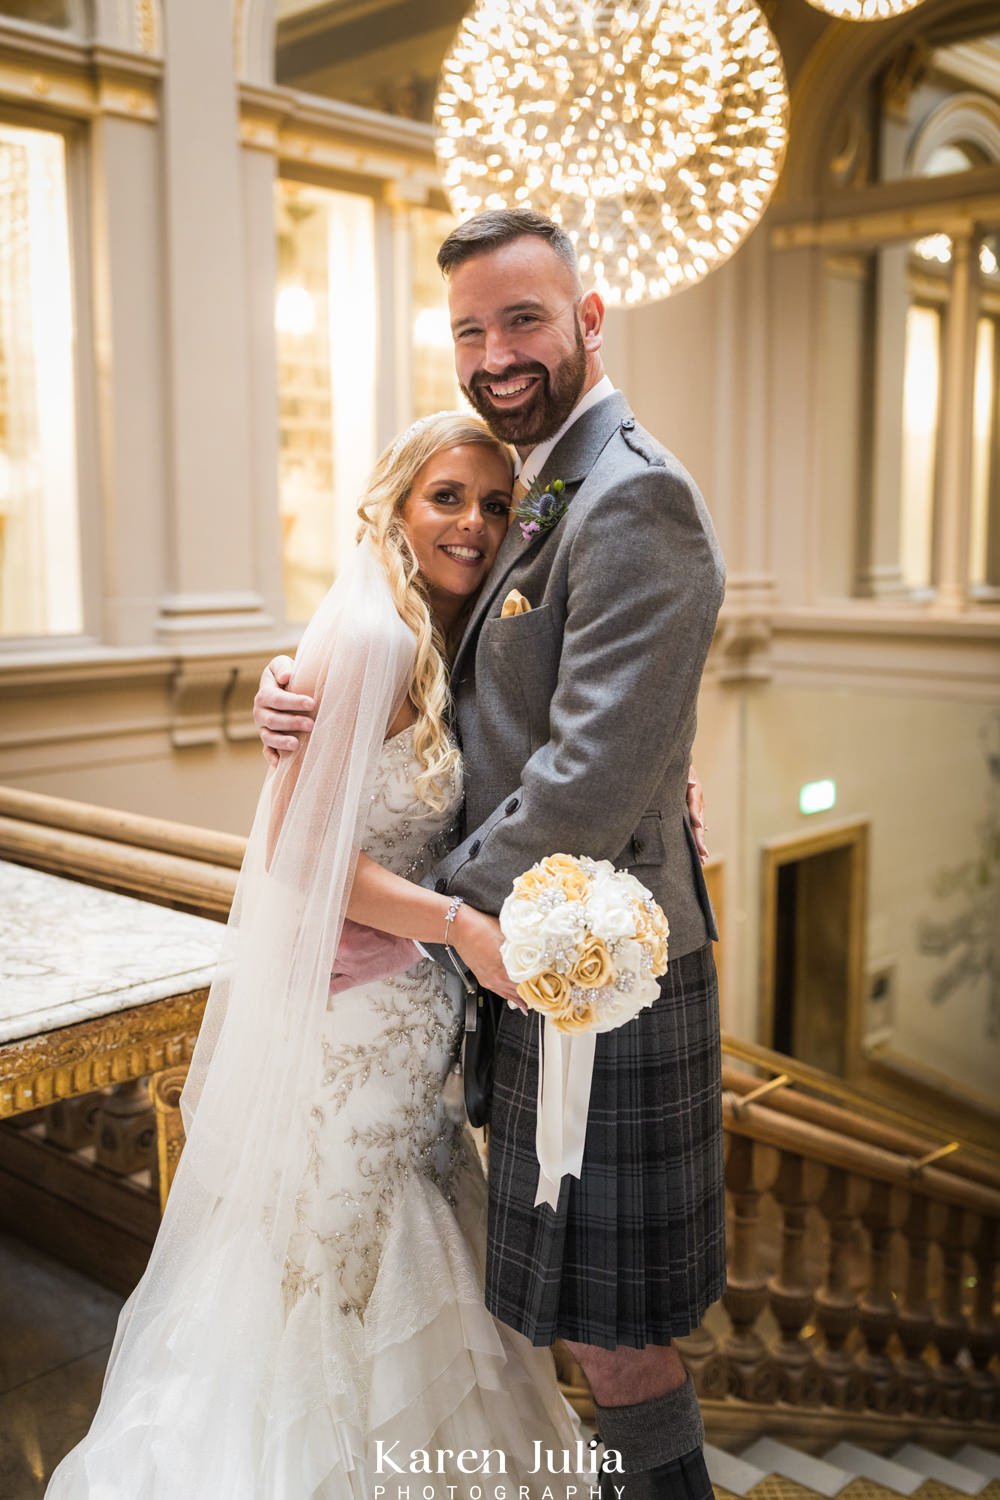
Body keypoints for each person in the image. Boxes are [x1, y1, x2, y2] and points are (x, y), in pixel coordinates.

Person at [254, 209, 726, 1500]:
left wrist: (421, 917)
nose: (495, 350)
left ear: (589, 316)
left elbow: (587, 775)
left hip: (595, 971)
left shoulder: (633, 490)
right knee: (567, 1313)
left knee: (614, 1333)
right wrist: (294, 697)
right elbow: (474, 692)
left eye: (522, 318)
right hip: (526, 952)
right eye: (469, 327)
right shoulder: (542, 481)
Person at [46, 412, 584, 1499]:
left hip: (406, 1023)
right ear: (393, 505)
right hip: (358, 1028)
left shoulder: (452, 629)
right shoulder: (374, 637)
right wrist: (456, 928)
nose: (473, 522)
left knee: (385, 1244)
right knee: (340, 1271)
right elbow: (303, 846)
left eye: (491, 503)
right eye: (446, 497)